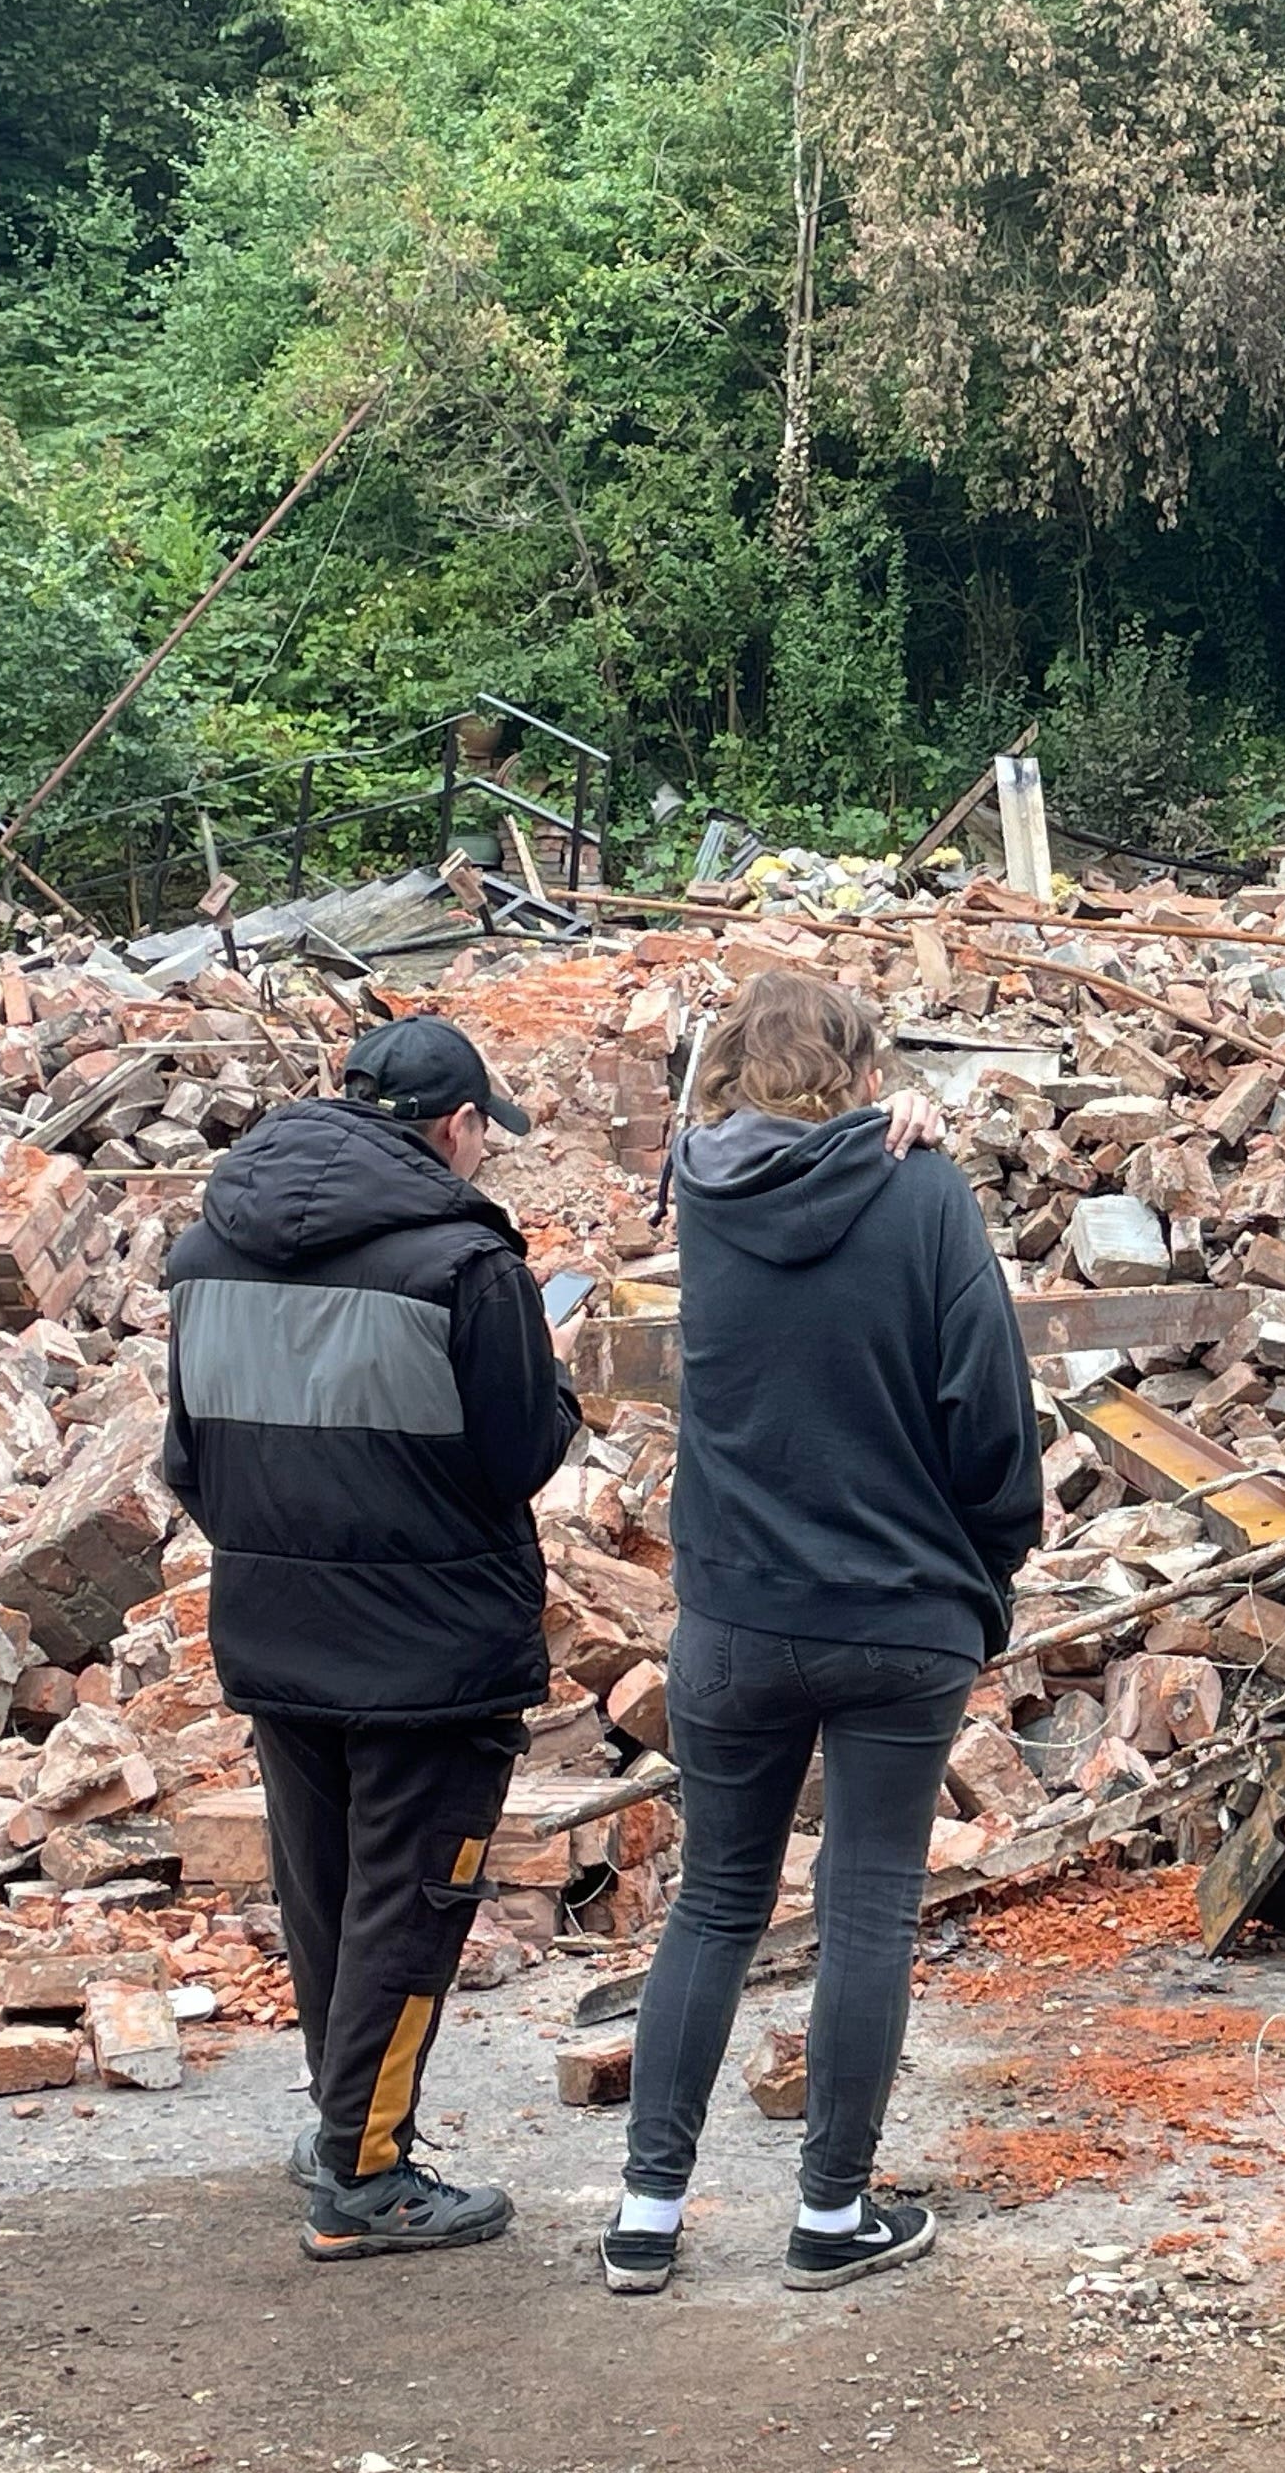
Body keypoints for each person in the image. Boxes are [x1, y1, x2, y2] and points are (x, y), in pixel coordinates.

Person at [605, 968, 1041, 2297]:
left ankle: (646, 2215)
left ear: (732, 1067)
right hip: (899, 1615)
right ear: (863, 1069)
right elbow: (988, 1409)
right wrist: (988, 1561)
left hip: (734, 1614)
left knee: (714, 1906)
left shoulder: (706, 1197)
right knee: (864, 1907)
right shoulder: (922, 1189)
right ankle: (831, 2217)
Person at [160, 1013, 580, 2260]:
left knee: (328, 1894)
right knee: (408, 1907)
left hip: (276, 1624)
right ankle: (365, 2173)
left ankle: (342, 2124)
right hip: (430, 1645)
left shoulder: (204, 1252)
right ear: (458, 1128)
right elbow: (524, 1454)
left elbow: (190, 1459)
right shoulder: (467, 1267)